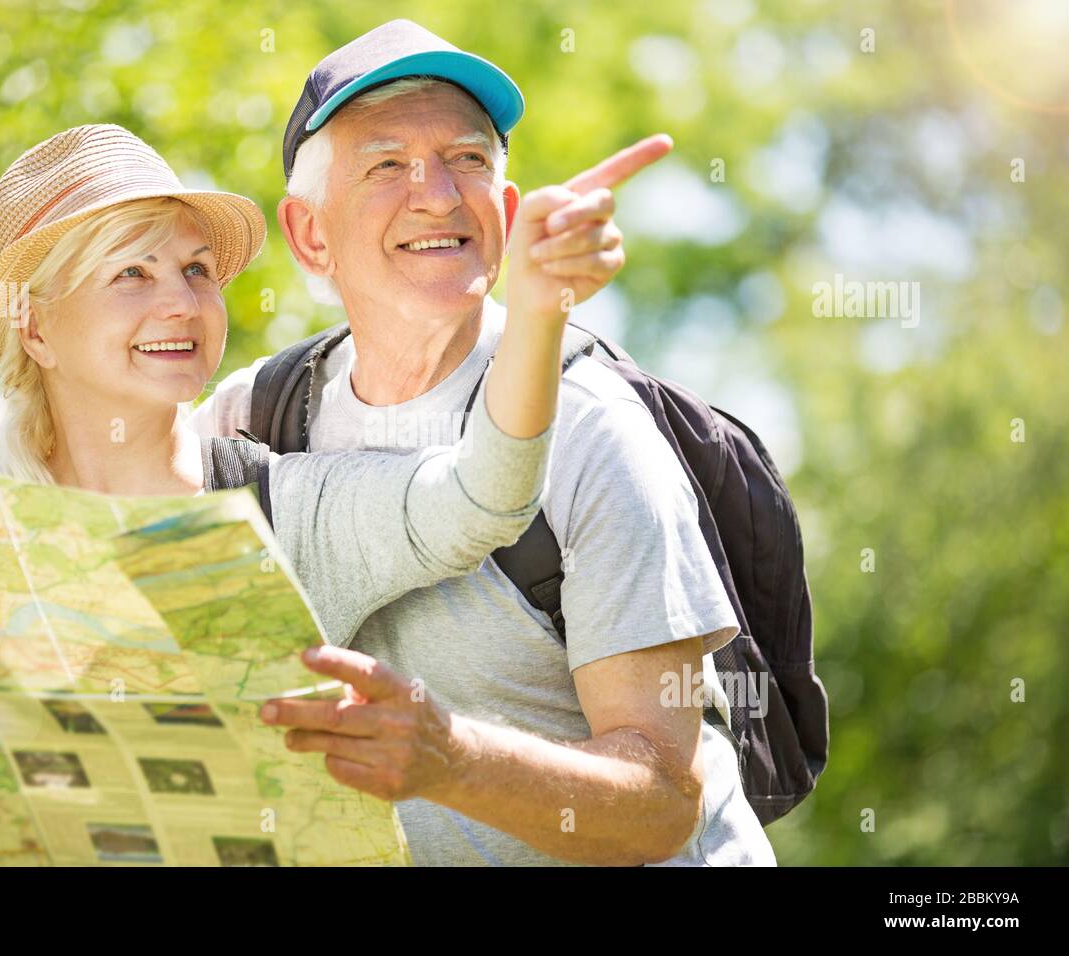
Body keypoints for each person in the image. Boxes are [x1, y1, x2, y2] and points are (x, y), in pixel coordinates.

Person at [0, 120, 633, 865]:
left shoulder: (284, 514)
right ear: (35, 326)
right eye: (131, 276)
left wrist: (536, 312)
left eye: (195, 269)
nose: (182, 303)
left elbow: (483, 498)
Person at [192, 19, 778, 865]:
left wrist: (452, 760)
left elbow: (662, 803)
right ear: (310, 234)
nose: (436, 193)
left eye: (467, 160)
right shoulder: (255, 418)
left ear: (503, 214)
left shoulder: (592, 431)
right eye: (386, 165)